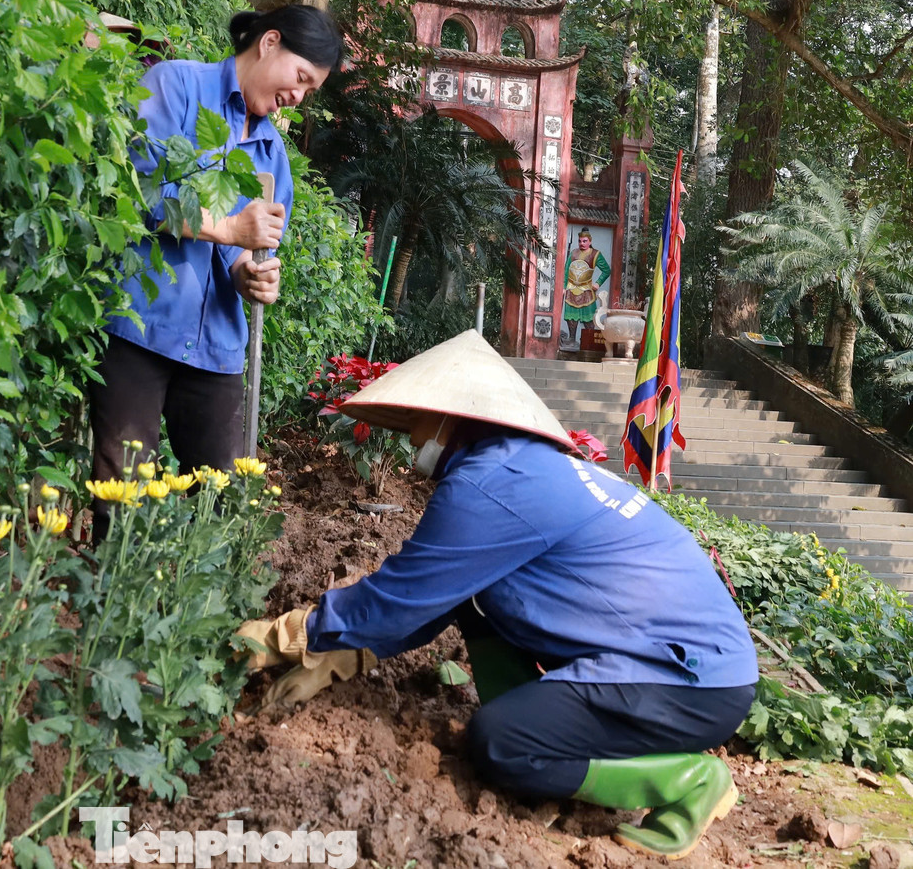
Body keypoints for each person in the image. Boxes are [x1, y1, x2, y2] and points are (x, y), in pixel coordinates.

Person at [236, 330, 758, 860]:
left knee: (502, 744)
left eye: (416, 422)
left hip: (689, 682)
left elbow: (404, 592)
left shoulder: (492, 483)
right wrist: (354, 649)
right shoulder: (520, 468)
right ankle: (543, 722)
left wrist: (289, 636)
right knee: (479, 599)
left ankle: (690, 780)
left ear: (451, 418)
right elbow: (441, 593)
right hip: (687, 664)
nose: (411, 441)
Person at [87, 6, 344, 538]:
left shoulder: (273, 156)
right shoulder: (174, 85)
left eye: (310, 90)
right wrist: (229, 229)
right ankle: (115, 611)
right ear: (269, 42)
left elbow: (248, 253)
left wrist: (250, 274)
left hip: (218, 351)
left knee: (219, 507)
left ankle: (198, 619)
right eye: (301, 78)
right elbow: (138, 193)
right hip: (140, 328)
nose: (299, 96)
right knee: (123, 498)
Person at [562, 227, 610, 350]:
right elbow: (566, 271)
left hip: (587, 290)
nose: (582, 244)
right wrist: (563, 287)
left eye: (584, 241)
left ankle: (589, 342)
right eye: (580, 241)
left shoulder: (596, 254)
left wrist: (598, 283)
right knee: (571, 317)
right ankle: (572, 339)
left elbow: (606, 270)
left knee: (588, 318)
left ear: (589, 241)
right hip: (571, 289)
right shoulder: (573, 253)